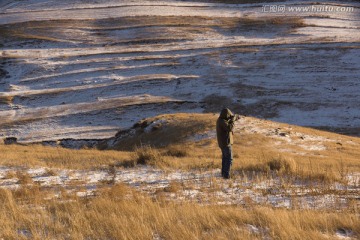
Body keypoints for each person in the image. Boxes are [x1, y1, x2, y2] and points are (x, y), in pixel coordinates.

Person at [216, 108, 239, 179]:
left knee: (225, 159)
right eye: (229, 115)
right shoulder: (222, 121)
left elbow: (227, 127)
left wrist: (232, 119)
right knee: (229, 159)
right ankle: (226, 175)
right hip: (226, 143)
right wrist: (233, 120)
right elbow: (229, 128)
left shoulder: (220, 120)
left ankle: (224, 174)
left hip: (223, 143)